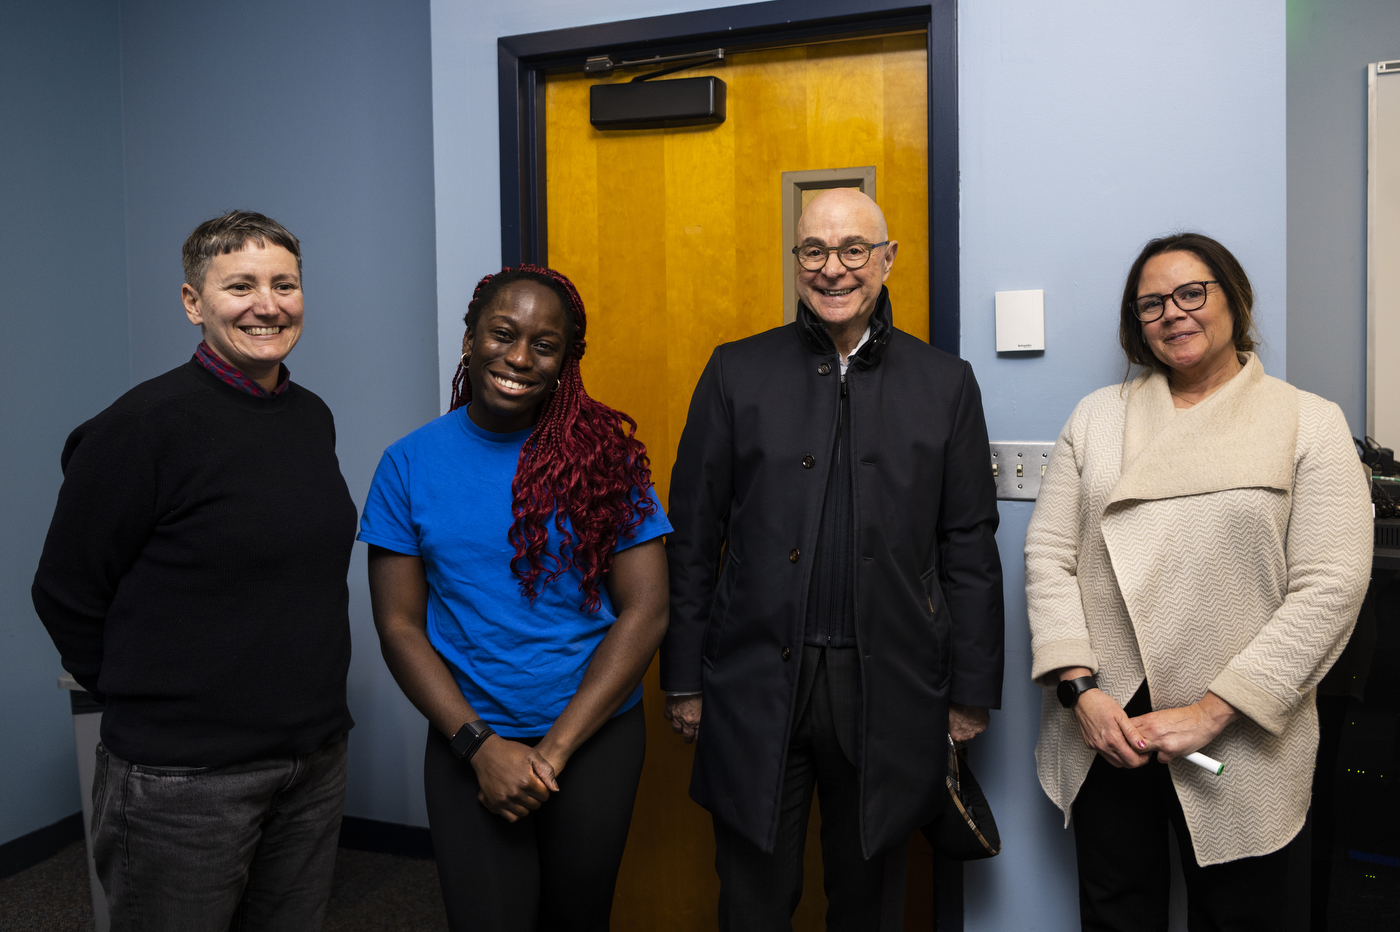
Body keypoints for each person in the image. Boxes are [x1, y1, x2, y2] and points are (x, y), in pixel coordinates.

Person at [661, 189, 1004, 931]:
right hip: (755, 679)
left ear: (887, 260)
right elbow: (690, 538)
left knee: (868, 903)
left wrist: (971, 692)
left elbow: (969, 547)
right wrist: (684, 679)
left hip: (888, 683)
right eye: (814, 250)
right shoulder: (734, 372)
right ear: (795, 263)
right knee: (752, 899)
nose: (834, 269)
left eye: (854, 250)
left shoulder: (946, 384)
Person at [1025, 232, 1373, 931]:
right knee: (1116, 911)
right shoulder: (1097, 419)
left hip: (1238, 729)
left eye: (1191, 293)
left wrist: (1212, 712)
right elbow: (1048, 556)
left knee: (1244, 916)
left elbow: (1330, 585)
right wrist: (1080, 691)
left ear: (1233, 300)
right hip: (1110, 722)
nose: (1172, 314)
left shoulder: (1308, 421)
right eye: (1151, 303)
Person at [32, 211, 356, 931]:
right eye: (240, 285)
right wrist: (152, 704)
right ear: (192, 303)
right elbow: (64, 590)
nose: (268, 305)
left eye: (285, 284)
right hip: (182, 781)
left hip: (312, 760)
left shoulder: (310, 417)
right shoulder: (139, 427)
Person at [360, 265, 670, 932]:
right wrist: (480, 747)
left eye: (545, 344)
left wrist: (553, 752)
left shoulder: (604, 461)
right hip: (466, 738)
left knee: (576, 920)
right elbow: (398, 627)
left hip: (593, 740)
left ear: (565, 364)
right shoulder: (408, 464)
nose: (520, 358)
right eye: (503, 334)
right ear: (471, 339)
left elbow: (647, 611)